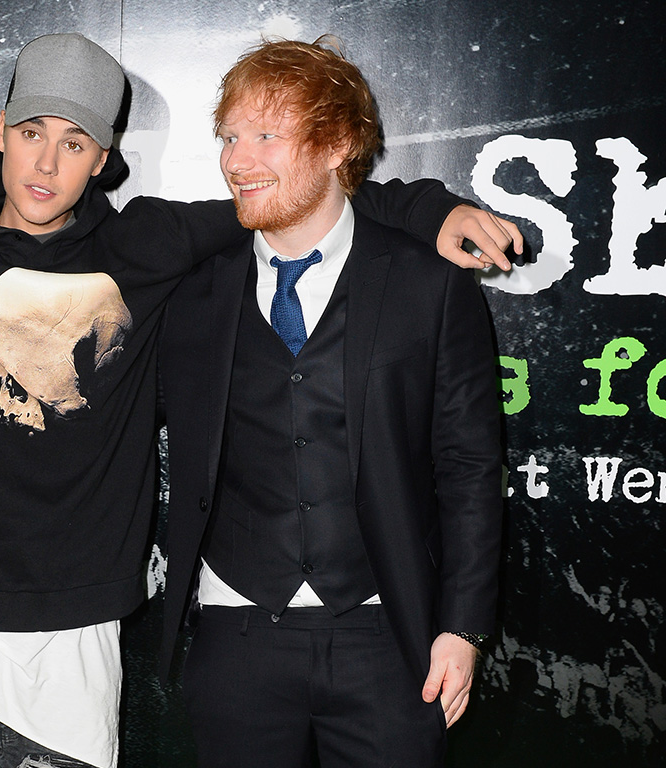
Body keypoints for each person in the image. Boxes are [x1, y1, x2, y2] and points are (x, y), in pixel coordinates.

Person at [0, 32, 516, 768]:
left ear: (103, 159)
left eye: (75, 143)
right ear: (0, 131)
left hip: (77, 637)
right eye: (30, 132)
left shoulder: (146, 245)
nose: (46, 163)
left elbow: (297, 198)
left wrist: (428, 211)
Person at [158, 36, 506, 768]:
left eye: (266, 135)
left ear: (337, 143)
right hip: (235, 635)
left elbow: (469, 466)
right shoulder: (190, 290)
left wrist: (463, 628)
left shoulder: (428, 283)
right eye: (230, 137)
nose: (238, 159)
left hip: (389, 636)